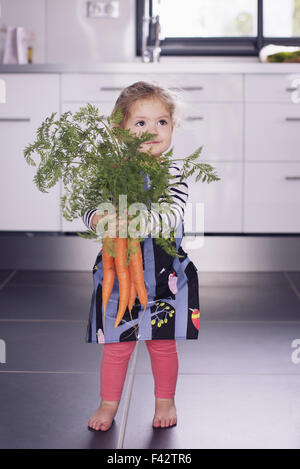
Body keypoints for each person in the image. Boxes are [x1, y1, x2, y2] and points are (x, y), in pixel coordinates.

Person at [82, 81, 200, 431]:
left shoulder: (173, 173)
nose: (153, 130)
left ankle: (166, 401)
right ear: (121, 130)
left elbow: (173, 213)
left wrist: (139, 219)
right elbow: (88, 209)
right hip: (119, 278)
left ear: (172, 128)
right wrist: (100, 217)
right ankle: (108, 404)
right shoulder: (110, 172)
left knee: (163, 346)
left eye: (162, 122)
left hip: (166, 279)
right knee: (116, 348)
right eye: (141, 123)